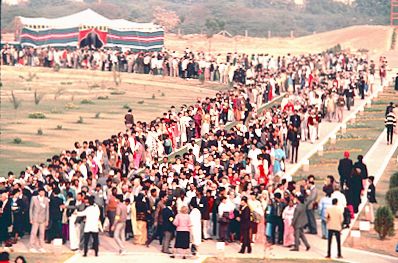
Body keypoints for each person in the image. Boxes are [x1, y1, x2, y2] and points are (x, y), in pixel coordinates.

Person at [29, 188, 49, 253]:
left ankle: (41, 247)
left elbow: (47, 210)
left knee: (42, 233)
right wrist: (31, 218)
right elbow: (31, 209)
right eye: (41, 192)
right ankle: (31, 246)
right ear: (39, 192)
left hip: (43, 219)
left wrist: (47, 220)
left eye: (43, 192)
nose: (42, 193)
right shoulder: (34, 198)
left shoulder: (46, 199)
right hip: (35, 218)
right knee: (33, 233)